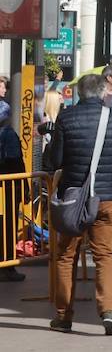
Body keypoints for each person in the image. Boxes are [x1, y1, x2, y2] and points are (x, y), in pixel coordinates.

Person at [44, 73, 112, 334]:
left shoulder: (67, 118)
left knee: (65, 255)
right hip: (107, 198)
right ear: (104, 91)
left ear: (79, 93)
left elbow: (57, 159)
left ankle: (63, 315)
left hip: (74, 198)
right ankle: (108, 310)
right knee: (104, 254)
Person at [0, 100, 26, 283]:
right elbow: (16, 161)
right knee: (8, 227)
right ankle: (7, 266)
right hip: (8, 188)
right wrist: (23, 187)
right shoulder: (9, 134)